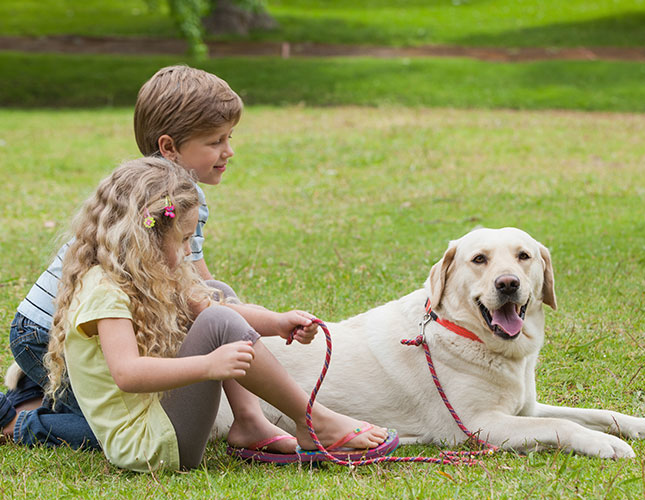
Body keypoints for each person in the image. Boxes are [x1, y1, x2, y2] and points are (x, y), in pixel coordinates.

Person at [2, 158, 396, 471]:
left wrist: (276, 322)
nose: (190, 252)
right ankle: (314, 421)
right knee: (216, 320)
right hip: (151, 446)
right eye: (185, 239)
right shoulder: (104, 291)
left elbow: (215, 305)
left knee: (215, 297)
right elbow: (128, 373)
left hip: (161, 416)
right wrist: (208, 365)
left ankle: (250, 423)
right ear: (146, 236)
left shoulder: (145, 270)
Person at [2, 65, 296, 453]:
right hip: (43, 334)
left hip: (95, 330)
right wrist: (218, 348)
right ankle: (19, 418)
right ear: (169, 147)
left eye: (229, 136)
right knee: (119, 426)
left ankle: (249, 417)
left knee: (214, 304)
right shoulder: (152, 201)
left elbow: (202, 293)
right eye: (215, 140)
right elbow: (198, 304)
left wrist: (266, 323)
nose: (229, 150)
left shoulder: (177, 196)